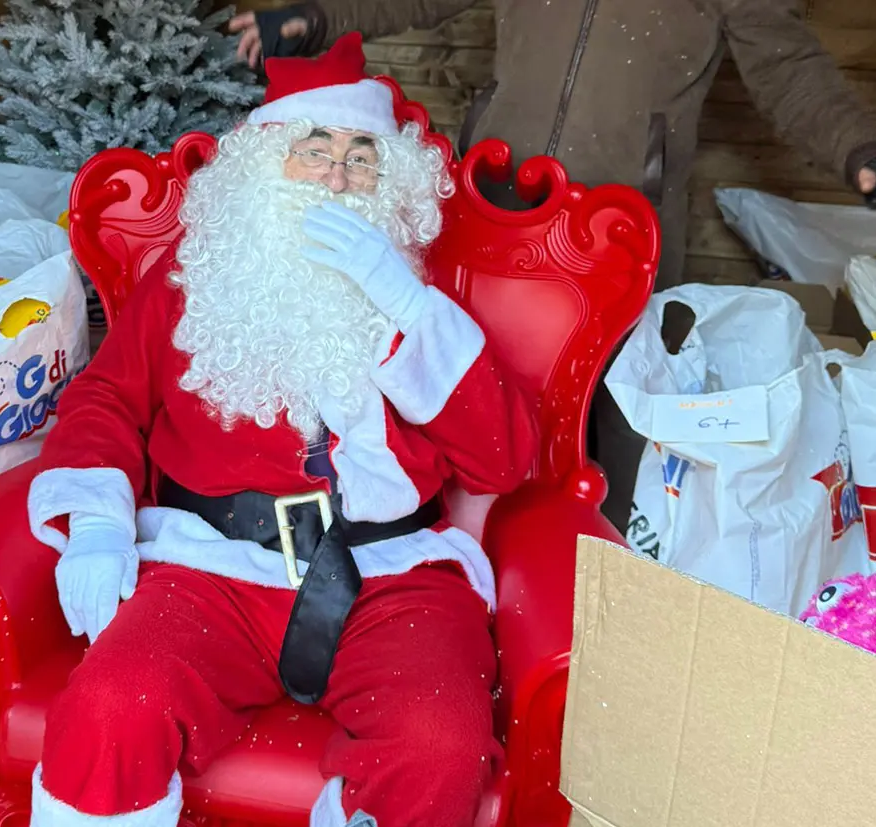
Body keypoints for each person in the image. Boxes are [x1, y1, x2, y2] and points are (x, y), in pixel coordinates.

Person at [25, 32, 538, 827]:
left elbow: (502, 459)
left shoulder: (416, 299)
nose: (337, 176)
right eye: (314, 150)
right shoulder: (188, 280)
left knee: (440, 741)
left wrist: (403, 306)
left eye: (362, 156)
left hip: (391, 573)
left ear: (387, 181)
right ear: (264, 168)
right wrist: (96, 522)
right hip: (208, 566)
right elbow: (104, 402)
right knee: (110, 704)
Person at [230, 0, 876, 534]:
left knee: (619, 423)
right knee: (474, 392)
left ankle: (604, 587)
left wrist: (856, 148)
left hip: (622, 233)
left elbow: (788, 66)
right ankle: (459, 564)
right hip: (493, 209)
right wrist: (318, 17)